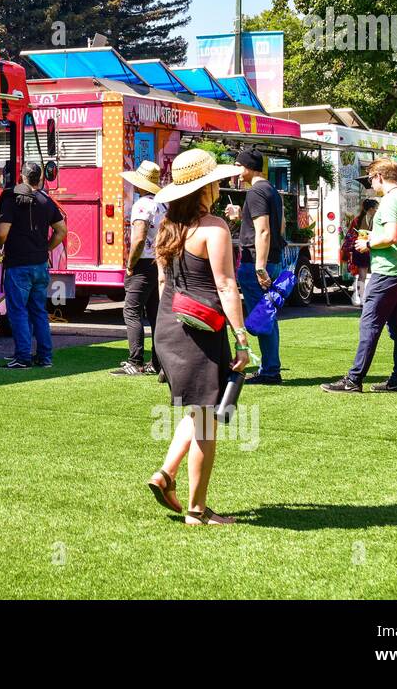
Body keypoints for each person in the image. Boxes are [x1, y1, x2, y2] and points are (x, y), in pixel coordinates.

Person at [144, 149, 251, 525]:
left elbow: (161, 283)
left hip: (168, 327)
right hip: (203, 329)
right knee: (207, 421)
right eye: (216, 180)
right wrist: (242, 339)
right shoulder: (214, 227)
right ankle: (197, 511)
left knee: (198, 410)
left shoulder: (167, 227)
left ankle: (166, 474)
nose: (220, 185)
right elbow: (225, 285)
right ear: (205, 188)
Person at [322, 159, 397, 393]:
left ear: (378, 176)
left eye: (370, 178)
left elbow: (391, 235)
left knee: (369, 325)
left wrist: (368, 243)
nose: (370, 183)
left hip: (387, 271)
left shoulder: (388, 202)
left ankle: (354, 379)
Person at [0, 160, 67, 370]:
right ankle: (45, 357)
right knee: (39, 311)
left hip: (18, 264)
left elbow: (1, 232)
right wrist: (46, 248)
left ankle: (23, 357)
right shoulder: (46, 200)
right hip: (40, 263)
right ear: (41, 179)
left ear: (21, 177)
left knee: (17, 311)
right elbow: (62, 231)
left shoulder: (11, 199)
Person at [230, 148, 286, 384]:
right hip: (272, 259)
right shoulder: (272, 191)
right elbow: (279, 226)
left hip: (256, 263)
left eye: (238, 165)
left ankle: (270, 371)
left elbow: (263, 230)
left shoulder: (255, 192)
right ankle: (270, 368)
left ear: (248, 167)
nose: (236, 170)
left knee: (263, 320)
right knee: (267, 317)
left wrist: (259, 267)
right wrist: (239, 216)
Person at [115, 160, 165, 376]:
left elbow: (138, 239)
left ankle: (135, 361)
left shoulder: (142, 205)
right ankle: (157, 361)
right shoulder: (164, 204)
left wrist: (129, 265)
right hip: (161, 263)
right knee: (155, 313)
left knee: (132, 311)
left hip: (144, 262)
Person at [350, 199, 378, 305]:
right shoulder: (372, 220)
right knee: (366, 274)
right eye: (376, 208)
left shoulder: (357, 219)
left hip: (358, 248)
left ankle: (361, 297)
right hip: (366, 248)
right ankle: (363, 298)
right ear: (371, 209)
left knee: (362, 275)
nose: (377, 210)